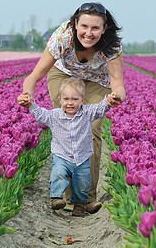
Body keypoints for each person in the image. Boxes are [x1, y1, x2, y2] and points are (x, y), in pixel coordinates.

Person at [19, 2, 125, 214]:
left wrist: (116, 97)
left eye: (95, 28)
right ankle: (67, 197)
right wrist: (27, 94)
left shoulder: (111, 45)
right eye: (84, 26)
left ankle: (86, 198)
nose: (88, 33)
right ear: (75, 24)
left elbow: (118, 83)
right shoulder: (63, 38)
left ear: (104, 29)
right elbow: (35, 75)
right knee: (66, 126)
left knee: (92, 130)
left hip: (96, 81)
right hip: (64, 77)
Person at [17, 77, 120, 216]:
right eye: (66, 99)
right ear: (60, 99)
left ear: (82, 100)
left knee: (82, 182)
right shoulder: (54, 116)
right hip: (62, 156)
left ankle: (79, 205)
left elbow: (99, 109)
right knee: (58, 173)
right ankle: (56, 198)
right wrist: (30, 105)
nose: (70, 103)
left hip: (82, 157)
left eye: (75, 99)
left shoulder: (87, 113)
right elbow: (41, 115)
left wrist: (108, 101)